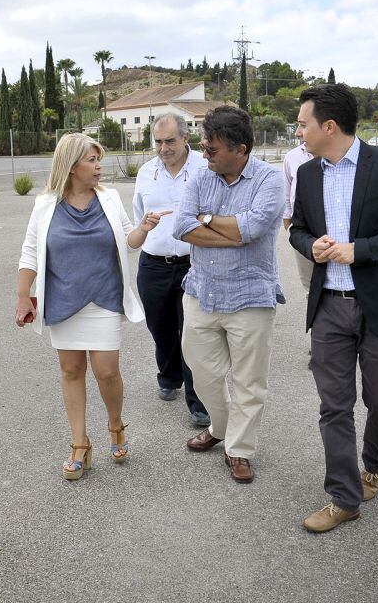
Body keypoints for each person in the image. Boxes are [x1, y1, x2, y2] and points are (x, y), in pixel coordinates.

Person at [289, 84, 378, 533]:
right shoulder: (309, 174)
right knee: (334, 405)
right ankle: (344, 497)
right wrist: (310, 244)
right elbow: (297, 228)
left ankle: (375, 464)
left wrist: (359, 250)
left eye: (303, 123)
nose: (298, 131)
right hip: (329, 306)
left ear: (328, 126)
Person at [16, 132, 166, 480]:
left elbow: (128, 241)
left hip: (104, 298)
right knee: (71, 371)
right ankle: (79, 443)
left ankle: (115, 425)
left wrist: (143, 228)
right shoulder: (45, 205)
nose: (100, 166)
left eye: (100, 160)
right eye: (93, 161)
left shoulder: (110, 199)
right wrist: (24, 294)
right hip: (63, 299)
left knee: (107, 371)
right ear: (71, 167)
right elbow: (30, 253)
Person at [173, 106, 285, 485]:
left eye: (213, 150)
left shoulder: (269, 179)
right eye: (204, 147)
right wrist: (228, 231)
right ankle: (220, 427)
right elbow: (181, 227)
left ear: (241, 149)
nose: (205, 156)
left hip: (251, 295)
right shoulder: (201, 178)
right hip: (201, 291)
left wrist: (206, 219)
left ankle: (239, 449)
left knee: (249, 381)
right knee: (201, 371)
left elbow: (252, 229)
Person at [132, 112, 211, 426]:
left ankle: (199, 401)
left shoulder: (205, 169)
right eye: (158, 142)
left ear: (186, 138)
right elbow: (139, 216)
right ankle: (168, 374)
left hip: (193, 263)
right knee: (160, 327)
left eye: (170, 141)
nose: (163, 148)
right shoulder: (146, 173)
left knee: (193, 334)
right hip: (153, 265)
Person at [282, 140, 316, 300]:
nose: (298, 132)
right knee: (310, 285)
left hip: (334, 229)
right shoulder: (292, 157)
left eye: (304, 125)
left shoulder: (337, 153)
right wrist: (290, 229)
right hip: (302, 229)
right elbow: (287, 196)